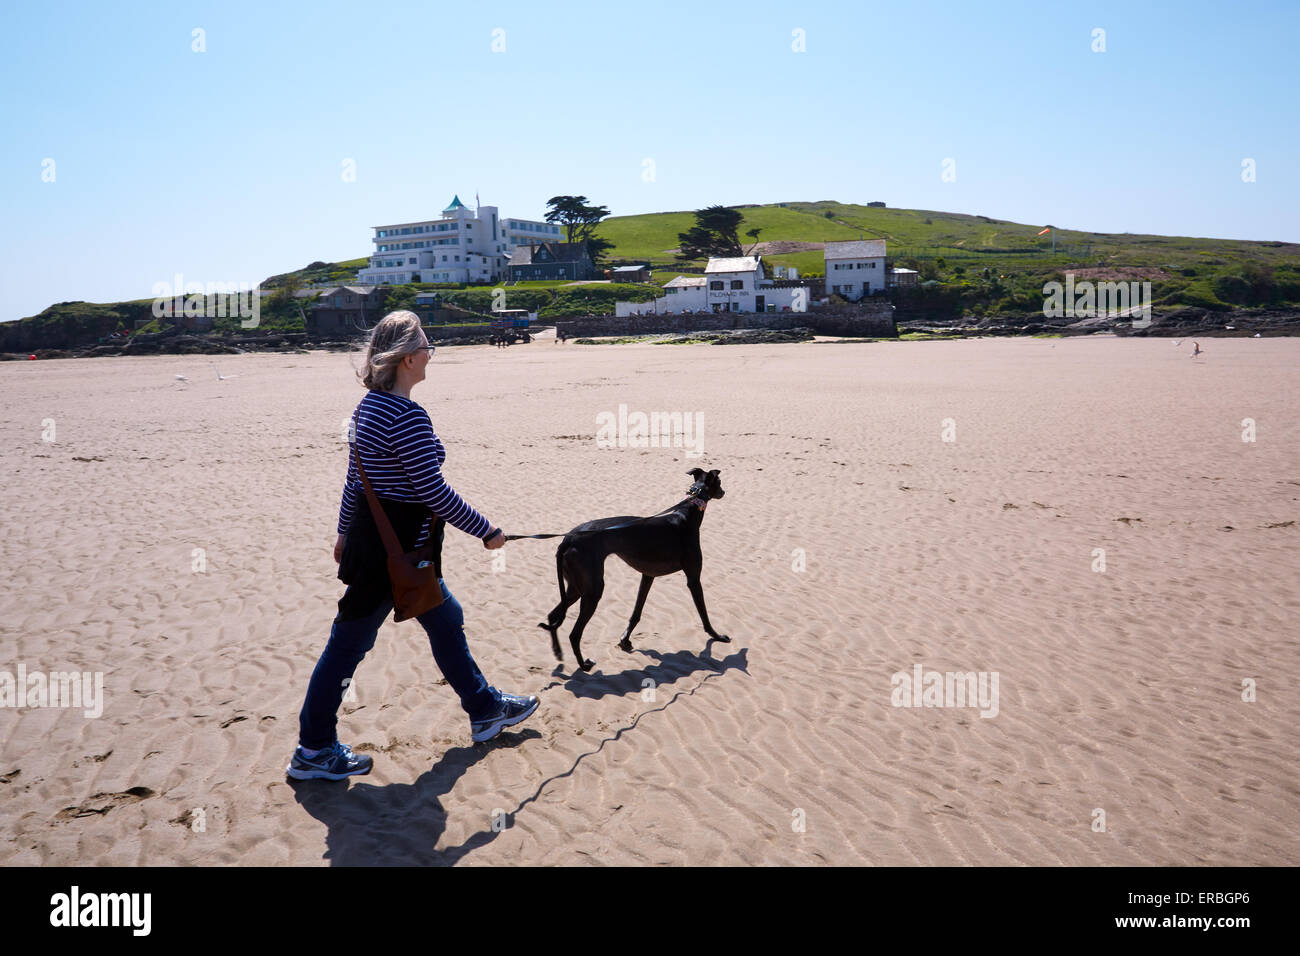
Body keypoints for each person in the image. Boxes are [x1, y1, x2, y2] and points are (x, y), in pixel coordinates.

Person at [289, 311, 538, 780]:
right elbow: (433, 491)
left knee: (446, 619)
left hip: (390, 544)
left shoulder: (368, 407)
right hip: (396, 551)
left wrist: (344, 530)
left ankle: (485, 710)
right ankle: (314, 748)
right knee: (348, 644)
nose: (431, 354)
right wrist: (487, 530)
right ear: (407, 358)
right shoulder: (405, 415)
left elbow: (354, 481)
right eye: (427, 346)